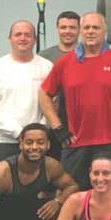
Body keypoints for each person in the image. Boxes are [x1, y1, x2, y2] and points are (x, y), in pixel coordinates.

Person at [39, 12, 111, 190]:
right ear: (80, 31)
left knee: (106, 196)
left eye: (95, 28)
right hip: (74, 143)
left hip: (108, 143)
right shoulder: (65, 62)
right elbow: (44, 94)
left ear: (104, 31)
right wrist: (57, 127)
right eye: (86, 28)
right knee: (70, 193)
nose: (90, 31)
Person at [0, 20, 53, 169]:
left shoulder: (47, 67)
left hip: (36, 144)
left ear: (35, 40)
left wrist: (37, 133)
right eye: (18, 34)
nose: (22, 38)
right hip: (1, 142)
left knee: (37, 184)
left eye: (27, 35)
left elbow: (53, 104)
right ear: (10, 39)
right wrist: (19, 133)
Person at [38, 10, 80, 158]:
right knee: (52, 167)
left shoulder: (88, 55)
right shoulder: (43, 57)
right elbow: (41, 92)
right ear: (57, 29)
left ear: (79, 29)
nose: (67, 31)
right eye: (63, 27)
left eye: (72, 27)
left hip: (78, 126)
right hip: (51, 126)